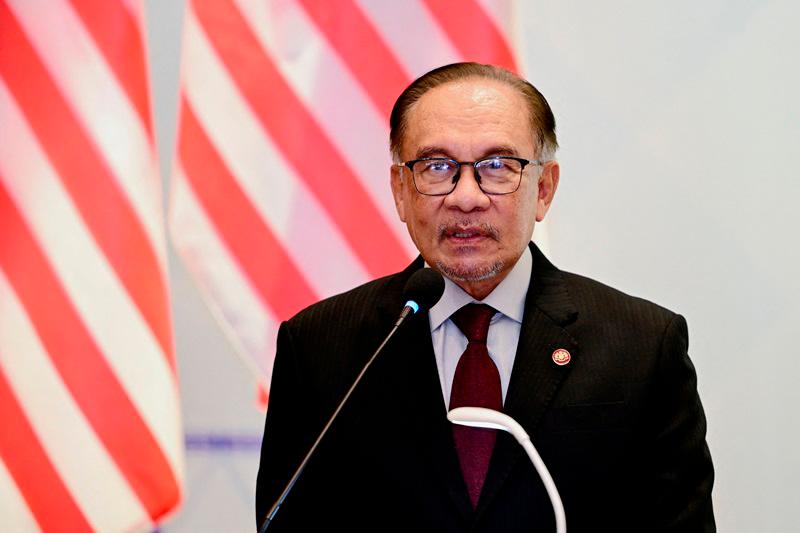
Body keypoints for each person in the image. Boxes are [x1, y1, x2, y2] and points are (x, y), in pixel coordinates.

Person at [255, 63, 715, 532]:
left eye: (498, 166)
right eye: (437, 167)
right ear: (400, 191)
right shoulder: (319, 345)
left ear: (544, 189)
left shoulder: (641, 345)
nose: (467, 198)